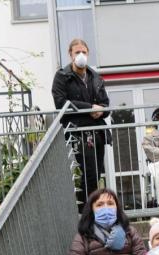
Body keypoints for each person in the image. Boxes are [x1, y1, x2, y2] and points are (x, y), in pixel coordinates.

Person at [52, 38, 111, 212]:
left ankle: (93, 209)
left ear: (88, 53)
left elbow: (106, 104)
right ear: (70, 54)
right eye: (77, 52)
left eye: (83, 52)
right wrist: (88, 108)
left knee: (97, 172)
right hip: (78, 131)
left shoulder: (95, 77)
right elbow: (61, 103)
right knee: (88, 173)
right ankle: (89, 211)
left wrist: (101, 110)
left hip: (97, 132)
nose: (81, 55)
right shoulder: (62, 76)